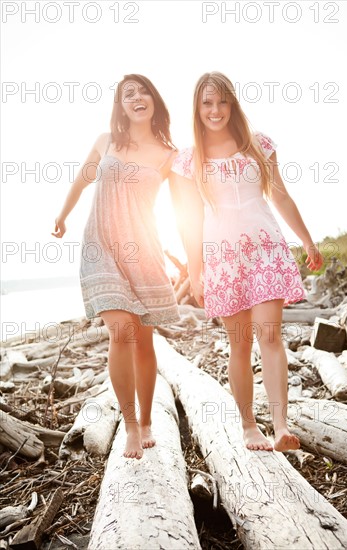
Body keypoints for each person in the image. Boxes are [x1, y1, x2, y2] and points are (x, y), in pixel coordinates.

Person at [170, 72, 323, 452]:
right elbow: (189, 222)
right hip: (222, 258)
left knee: (269, 335)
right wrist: (196, 272)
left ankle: (281, 425)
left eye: (222, 101)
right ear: (197, 108)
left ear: (232, 104)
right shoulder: (189, 161)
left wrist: (306, 240)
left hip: (267, 249)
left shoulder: (259, 145)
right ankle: (248, 426)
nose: (215, 110)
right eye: (207, 103)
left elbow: (281, 196)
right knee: (239, 344)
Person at [52, 74, 180, 460]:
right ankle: (130, 426)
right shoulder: (104, 141)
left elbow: (188, 209)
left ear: (154, 100)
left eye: (143, 91)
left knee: (143, 338)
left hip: (143, 250)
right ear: (120, 105)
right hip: (100, 246)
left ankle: (147, 420)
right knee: (120, 331)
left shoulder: (169, 153)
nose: (137, 97)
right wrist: (62, 215)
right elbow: (82, 179)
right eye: (128, 94)